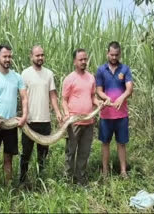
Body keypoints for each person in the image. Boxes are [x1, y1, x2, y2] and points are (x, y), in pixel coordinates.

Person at [0, 44, 28, 186]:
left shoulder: (17, 77)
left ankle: (8, 187)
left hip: (11, 124)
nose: (7, 59)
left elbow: (24, 98)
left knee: (8, 156)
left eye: (9, 56)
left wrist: (24, 116)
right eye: (5, 56)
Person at [19, 45, 62, 185]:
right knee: (26, 154)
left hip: (45, 121)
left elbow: (53, 95)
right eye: (37, 55)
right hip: (29, 121)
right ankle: (22, 181)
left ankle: (40, 180)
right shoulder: (25, 74)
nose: (40, 58)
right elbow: (22, 97)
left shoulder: (49, 74)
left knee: (43, 154)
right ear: (31, 56)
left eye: (42, 55)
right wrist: (23, 116)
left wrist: (57, 112)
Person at [62, 48, 102, 185]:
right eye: (81, 59)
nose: (84, 62)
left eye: (85, 59)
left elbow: (92, 97)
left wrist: (99, 103)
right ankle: (67, 181)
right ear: (75, 61)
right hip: (74, 122)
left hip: (89, 122)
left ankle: (80, 180)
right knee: (70, 152)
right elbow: (64, 100)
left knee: (84, 153)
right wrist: (67, 114)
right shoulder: (69, 79)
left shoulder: (91, 78)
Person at [96, 41, 133, 178]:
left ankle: (123, 171)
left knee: (121, 143)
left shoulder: (125, 69)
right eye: (111, 55)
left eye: (116, 55)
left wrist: (121, 98)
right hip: (106, 115)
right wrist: (106, 98)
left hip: (121, 115)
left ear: (120, 54)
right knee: (105, 143)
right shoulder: (101, 70)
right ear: (107, 53)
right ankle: (105, 171)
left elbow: (129, 89)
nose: (114, 57)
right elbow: (99, 90)